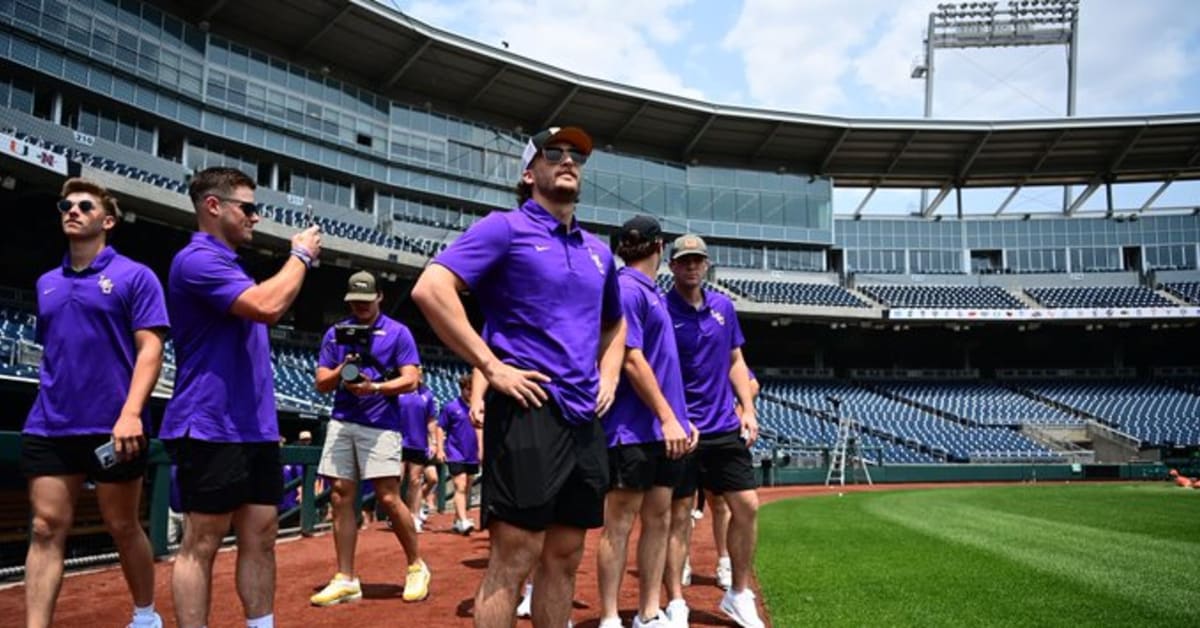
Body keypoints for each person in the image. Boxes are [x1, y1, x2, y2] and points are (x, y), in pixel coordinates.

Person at [412, 125, 625, 627]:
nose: (568, 160)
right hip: (528, 408)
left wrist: (609, 376)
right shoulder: (504, 228)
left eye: (577, 155)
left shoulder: (598, 251)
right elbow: (431, 288)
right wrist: (491, 366)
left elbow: (615, 323)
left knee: (566, 555)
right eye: (555, 153)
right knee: (515, 555)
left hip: (582, 416)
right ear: (530, 173)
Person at [160, 166, 321, 628]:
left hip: (252, 426)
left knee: (262, 534)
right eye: (248, 207)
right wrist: (301, 257)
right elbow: (268, 307)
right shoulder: (196, 259)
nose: (256, 217)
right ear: (214, 206)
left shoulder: (230, 265)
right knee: (202, 541)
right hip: (209, 422)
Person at [21, 178, 169, 628]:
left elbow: (150, 349)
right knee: (45, 527)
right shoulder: (46, 283)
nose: (72, 210)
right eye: (67, 204)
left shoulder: (135, 276)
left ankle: (145, 616)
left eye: (85, 206)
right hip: (50, 422)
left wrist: (129, 414)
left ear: (107, 221)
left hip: (114, 426)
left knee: (123, 527)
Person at [308, 270, 429, 606]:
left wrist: (374, 386)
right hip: (343, 420)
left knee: (388, 498)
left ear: (379, 297)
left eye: (366, 300)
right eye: (355, 301)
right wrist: (342, 369)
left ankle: (416, 565)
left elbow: (411, 380)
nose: (360, 306)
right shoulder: (336, 333)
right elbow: (321, 382)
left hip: (381, 423)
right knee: (340, 494)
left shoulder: (398, 332)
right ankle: (346, 577)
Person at [596, 215, 694, 628]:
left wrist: (682, 418)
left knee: (660, 518)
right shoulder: (627, 288)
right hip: (630, 429)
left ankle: (649, 612)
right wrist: (670, 416)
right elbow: (632, 360)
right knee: (619, 523)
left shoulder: (654, 293)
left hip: (661, 430)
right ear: (660, 248)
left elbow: (664, 365)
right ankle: (609, 617)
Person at [663, 234, 763, 628]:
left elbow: (735, 360)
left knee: (747, 506)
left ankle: (738, 593)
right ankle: (674, 601)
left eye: (697, 260)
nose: (691, 266)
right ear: (671, 266)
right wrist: (670, 416)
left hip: (723, 426)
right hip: (682, 429)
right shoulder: (661, 309)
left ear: (706, 265)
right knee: (679, 517)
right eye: (684, 260)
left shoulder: (723, 306)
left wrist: (748, 409)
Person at [706, 368, 761, 590]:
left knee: (722, 504)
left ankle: (724, 561)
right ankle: (684, 563)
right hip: (686, 425)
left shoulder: (723, 340)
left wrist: (741, 410)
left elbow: (753, 383)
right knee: (682, 505)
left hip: (719, 430)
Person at [436, 372, 482, 534]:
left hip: (473, 454)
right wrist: (441, 449)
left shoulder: (480, 408)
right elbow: (440, 427)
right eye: (468, 389)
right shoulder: (451, 407)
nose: (470, 392)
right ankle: (463, 520)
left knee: (468, 486)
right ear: (462, 389)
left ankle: (458, 519)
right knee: (460, 485)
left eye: (473, 389)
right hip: (455, 452)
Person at [397, 378, 438, 533]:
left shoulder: (427, 395)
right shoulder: (399, 391)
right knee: (397, 479)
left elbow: (431, 419)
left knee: (415, 481)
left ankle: (413, 516)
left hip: (418, 443)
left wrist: (433, 441)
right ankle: (396, 515)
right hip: (399, 441)